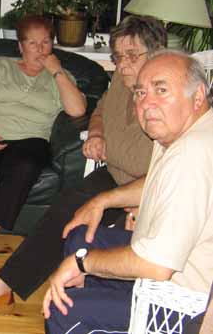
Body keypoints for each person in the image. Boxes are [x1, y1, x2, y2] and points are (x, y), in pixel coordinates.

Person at [0, 15, 166, 312]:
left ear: (156, 55)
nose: (122, 64)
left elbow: (167, 170)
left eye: (132, 55)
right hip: (115, 176)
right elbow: (99, 110)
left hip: (145, 186)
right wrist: (97, 133)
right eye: (118, 56)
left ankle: (81, 296)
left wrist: (139, 201)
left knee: (92, 230)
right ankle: (4, 286)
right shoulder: (121, 80)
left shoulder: (165, 98)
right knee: (63, 211)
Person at [43, 50, 213, 333]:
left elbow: (156, 265)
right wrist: (103, 200)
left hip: (183, 306)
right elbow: (157, 181)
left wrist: (82, 263)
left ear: (197, 97)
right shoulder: (186, 132)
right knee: (80, 237)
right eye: (141, 93)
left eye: (161, 90)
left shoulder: (191, 154)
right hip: (167, 261)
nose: (147, 104)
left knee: (64, 310)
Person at [0, 15, 87, 254]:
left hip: (30, 139)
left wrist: (57, 71)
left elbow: (78, 110)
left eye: (45, 42)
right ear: (20, 46)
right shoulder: (2, 65)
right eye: (32, 43)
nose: (40, 49)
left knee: (25, 165)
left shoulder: (61, 77)